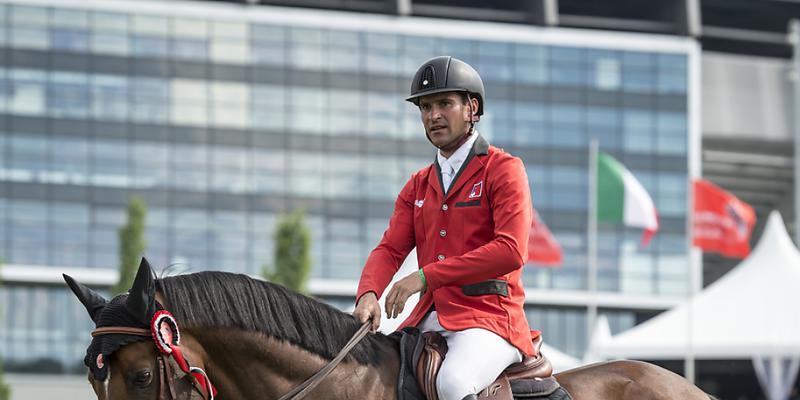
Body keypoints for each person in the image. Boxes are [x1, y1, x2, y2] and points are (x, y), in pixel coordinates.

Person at [353, 56, 536, 400]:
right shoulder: (417, 185)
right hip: (427, 320)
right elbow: (391, 249)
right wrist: (368, 293)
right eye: (425, 106)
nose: (433, 115)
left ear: (472, 108)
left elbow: (511, 251)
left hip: (490, 320)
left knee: (452, 384)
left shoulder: (504, 170)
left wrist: (424, 277)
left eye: (444, 104)